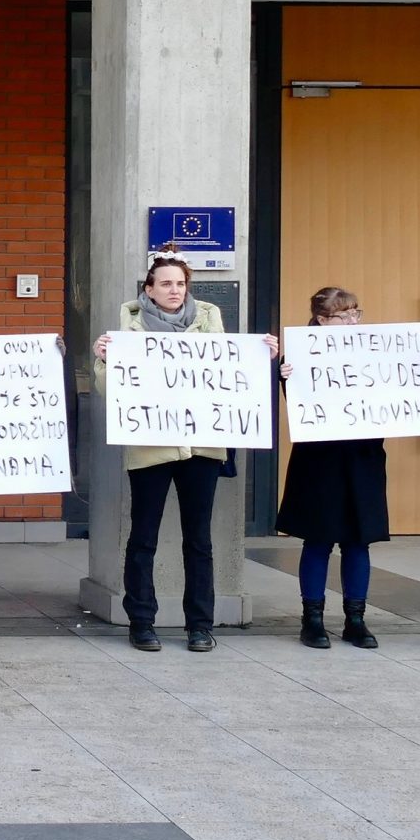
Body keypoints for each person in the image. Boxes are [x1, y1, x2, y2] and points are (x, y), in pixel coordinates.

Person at [94, 252, 280, 653]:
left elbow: (232, 377)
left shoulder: (210, 321)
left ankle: (200, 624)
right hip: (150, 449)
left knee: (199, 540)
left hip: (203, 446)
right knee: (143, 536)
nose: (173, 291)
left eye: (179, 284)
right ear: (149, 289)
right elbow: (112, 392)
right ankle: (141, 621)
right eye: (164, 283)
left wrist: (260, 357)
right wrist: (103, 362)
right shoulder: (127, 329)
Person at [274, 285, 420, 651]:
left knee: (358, 540)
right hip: (318, 461)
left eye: (355, 313)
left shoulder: (377, 350)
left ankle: (356, 619)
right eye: (343, 315)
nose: (352, 320)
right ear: (321, 320)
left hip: (363, 457)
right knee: (317, 540)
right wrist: (282, 375)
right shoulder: (302, 356)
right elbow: (297, 402)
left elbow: (404, 389)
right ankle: (312, 619)